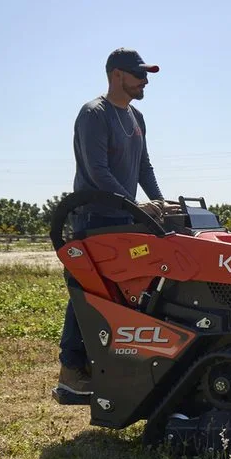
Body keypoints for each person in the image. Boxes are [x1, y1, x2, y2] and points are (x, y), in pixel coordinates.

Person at [56, 47, 166, 395]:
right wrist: (134, 205)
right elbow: (97, 171)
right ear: (116, 74)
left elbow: (144, 166)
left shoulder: (136, 117)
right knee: (87, 292)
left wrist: (159, 202)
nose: (144, 81)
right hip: (95, 219)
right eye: (139, 75)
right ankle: (72, 371)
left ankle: (112, 364)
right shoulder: (94, 114)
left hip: (123, 218)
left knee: (123, 293)